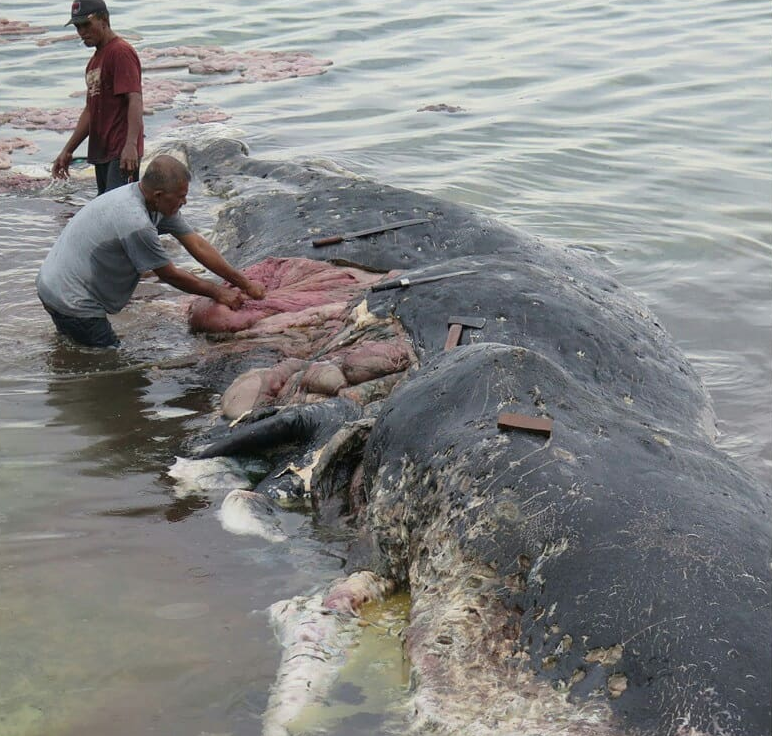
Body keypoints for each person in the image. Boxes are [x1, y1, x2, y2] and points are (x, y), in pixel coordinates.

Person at [37, 155, 266, 348]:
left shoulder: (149, 200)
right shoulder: (136, 223)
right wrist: (217, 292)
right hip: (73, 298)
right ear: (158, 195)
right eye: (180, 196)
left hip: (52, 284)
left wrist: (243, 283)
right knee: (113, 364)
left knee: (72, 349)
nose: (185, 202)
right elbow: (169, 274)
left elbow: (197, 244)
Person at [52, 0, 144, 194]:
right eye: (78, 27)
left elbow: (134, 99)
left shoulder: (120, 52)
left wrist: (131, 145)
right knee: (104, 209)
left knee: (117, 213)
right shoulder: (94, 61)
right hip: (102, 152)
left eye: (87, 25)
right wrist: (68, 150)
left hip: (121, 152)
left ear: (104, 20)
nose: (82, 32)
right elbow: (90, 111)